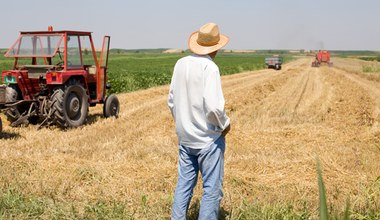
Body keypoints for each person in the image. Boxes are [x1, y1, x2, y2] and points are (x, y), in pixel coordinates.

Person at [167, 22, 231, 220]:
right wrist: (224, 124)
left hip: (185, 138)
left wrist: (184, 123)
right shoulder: (210, 67)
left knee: (184, 184)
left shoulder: (180, 63)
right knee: (211, 189)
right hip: (208, 140)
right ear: (216, 47)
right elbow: (213, 107)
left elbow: (171, 101)